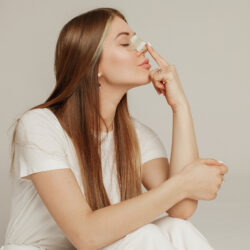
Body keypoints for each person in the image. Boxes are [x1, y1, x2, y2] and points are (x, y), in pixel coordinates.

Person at [2, 7, 228, 250]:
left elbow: (181, 209)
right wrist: (184, 182)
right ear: (92, 62)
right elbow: (85, 235)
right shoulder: (39, 126)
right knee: (144, 236)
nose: (141, 48)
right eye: (125, 43)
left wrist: (180, 107)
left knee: (177, 229)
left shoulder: (137, 135)